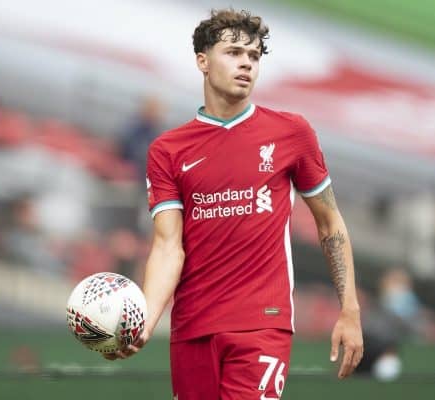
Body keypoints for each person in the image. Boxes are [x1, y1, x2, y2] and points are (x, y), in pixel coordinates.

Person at [105, 9, 363, 398]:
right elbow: (167, 246)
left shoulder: (292, 133)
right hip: (192, 327)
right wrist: (146, 320)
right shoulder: (167, 150)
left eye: (255, 56)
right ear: (202, 61)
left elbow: (330, 223)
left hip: (262, 324)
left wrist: (350, 309)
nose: (246, 62)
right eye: (234, 52)